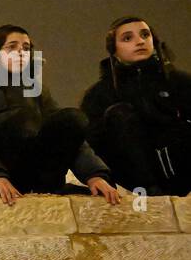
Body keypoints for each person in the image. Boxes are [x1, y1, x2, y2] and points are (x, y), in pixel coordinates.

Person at [0, 25, 119, 206]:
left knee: (72, 119)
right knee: (20, 120)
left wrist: (94, 175)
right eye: (11, 47)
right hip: (2, 163)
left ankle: (47, 186)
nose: (20, 53)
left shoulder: (37, 90)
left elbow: (69, 135)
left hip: (34, 166)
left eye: (26, 48)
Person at [81, 16, 191, 196]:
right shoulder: (100, 93)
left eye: (145, 35)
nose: (139, 42)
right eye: (127, 38)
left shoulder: (178, 82)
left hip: (178, 166)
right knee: (119, 114)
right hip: (134, 176)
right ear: (114, 50)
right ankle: (151, 191)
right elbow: (93, 143)